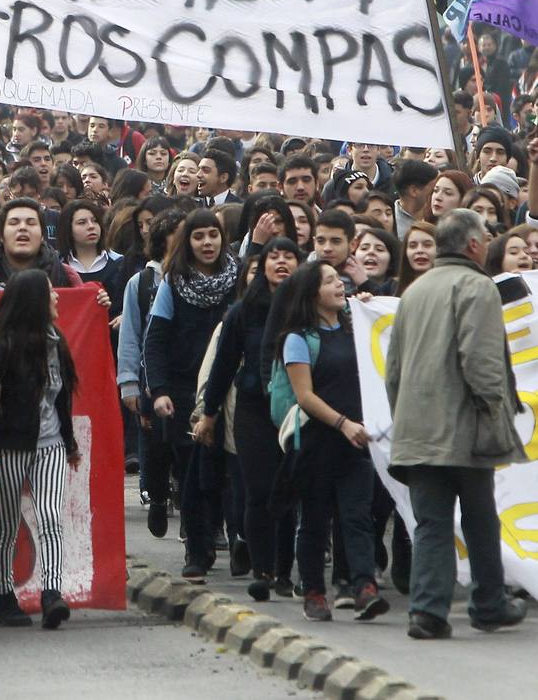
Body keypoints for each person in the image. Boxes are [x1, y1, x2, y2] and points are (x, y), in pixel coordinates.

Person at [385, 208, 529, 639]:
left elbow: (393, 372)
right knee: (480, 518)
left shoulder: (415, 291)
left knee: (431, 523)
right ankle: (488, 604)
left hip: (418, 427)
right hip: (467, 424)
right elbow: (481, 360)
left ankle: (427, 612)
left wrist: (404, 416)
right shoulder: (477, 286)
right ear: (474, 245)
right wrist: (495, 409)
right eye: (485, 236)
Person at [279, 261, 390, 623]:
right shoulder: (298, 339)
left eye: (340, 280)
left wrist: (372, 308)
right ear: (312, 293)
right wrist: (342, 424)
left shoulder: (353, 326)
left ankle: (364, 587)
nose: (340, 286)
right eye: (330, 281)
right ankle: (313, 591)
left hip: (356, 441)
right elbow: (304, 396)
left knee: (357, 516)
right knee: (314, 520)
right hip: (316, 443)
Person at [197, 238, 302, 601]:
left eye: (289, 256)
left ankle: (284, 571)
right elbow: (224, 365)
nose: (281, 262)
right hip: (253, 409)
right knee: (259, 491)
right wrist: (209, 413)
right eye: (274, 256)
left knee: (287, 492)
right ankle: (263, 569)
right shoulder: (243, 312)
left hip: (296, 411)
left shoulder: (306, 309)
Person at [143, 208, 237, 580]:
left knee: (229, 471)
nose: (207, 243)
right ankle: (197, 549)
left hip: (230, 387)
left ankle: (231, 535)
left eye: (213, 235)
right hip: (184, 389)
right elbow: (155, 340)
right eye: (198, 236)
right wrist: (159, 390)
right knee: (192, 472)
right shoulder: (173, 283)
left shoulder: (237, 278)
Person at [0, 270, 77, 629]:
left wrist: (69, 442)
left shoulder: (58, 342)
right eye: (51, 292)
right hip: (8, 446)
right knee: (7, 526)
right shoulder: (1, 344)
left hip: (50, 444)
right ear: (34, 300)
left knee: (50, 515)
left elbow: (61, 401)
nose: (57, 298)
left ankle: (52, 593)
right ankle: (4, 595)